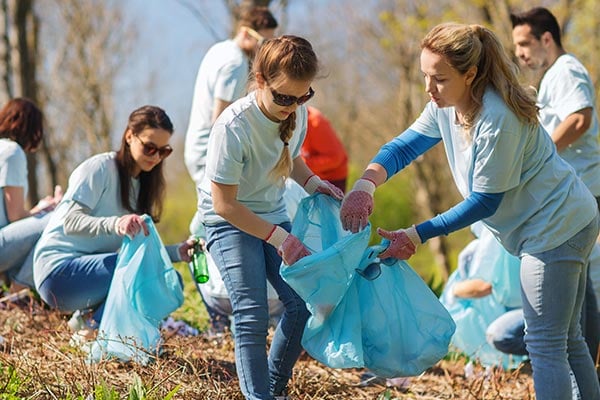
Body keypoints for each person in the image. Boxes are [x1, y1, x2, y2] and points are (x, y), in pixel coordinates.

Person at [339, 22, 600, 400]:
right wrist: (365, 184)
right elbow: (403, 148)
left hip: (555, 227)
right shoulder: (446, 105)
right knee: (568, 339)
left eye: (440, 79)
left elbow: (484, 201)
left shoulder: (497, 118)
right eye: (425, 76)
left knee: (544, 344)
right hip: (566, 217)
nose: (429, 89)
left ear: (471, 74)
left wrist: (416, 234)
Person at [198, 35, 343, 400]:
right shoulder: (233, 127)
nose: (292, 106)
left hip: (271, 213)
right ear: (260, 79)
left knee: (301, 305)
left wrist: (314, 183)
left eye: (302, 97)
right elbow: (224, 205)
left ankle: (272, 390)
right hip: (228, 222)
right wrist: (281, 238)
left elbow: (290, 158)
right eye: (283, 97)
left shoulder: (297, 115)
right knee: (251, 311)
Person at [33, 105, 195, 335]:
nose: (156, 157)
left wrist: (176, 252)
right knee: (147, 276)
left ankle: (87, 322)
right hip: (58, 274)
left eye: (163, 151)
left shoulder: (142, 187)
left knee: (171, 280)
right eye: (149, 148)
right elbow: (69, 221)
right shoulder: (100, 168)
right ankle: (93, 329)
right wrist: (116, 223)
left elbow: (139, 253)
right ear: (129, 136)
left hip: (93, 275)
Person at [511, 6, 600, 368]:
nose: (519, 53)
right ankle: (587, 368)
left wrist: (538, 157)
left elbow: (580, 117)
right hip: (576, 193)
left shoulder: (566, 70)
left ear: (547, 39)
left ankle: (585, 369)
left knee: (581, 286)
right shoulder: (554, 75)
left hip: (583, 191)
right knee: (582, 284)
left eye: (524, 43)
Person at [184, 6, 278, 334]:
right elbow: (221, 119)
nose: (265, 51)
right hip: (210, 154)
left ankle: (217, 307)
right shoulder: (236, 62)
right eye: (264, 43)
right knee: (209, 224)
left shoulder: (218, 49)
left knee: (211, 221)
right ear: (247, 34)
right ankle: (216, 311)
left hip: (197, 149)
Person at [0, 98, 62, 293]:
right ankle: (17, 293)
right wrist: (44, 209)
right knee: (57, 220)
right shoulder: (12, 152)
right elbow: (15, 216)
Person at [302, 106, 348, 192]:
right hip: (307, 178)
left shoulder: (315, 121)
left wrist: (302, 164)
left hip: (331, 180)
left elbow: (335, 158)